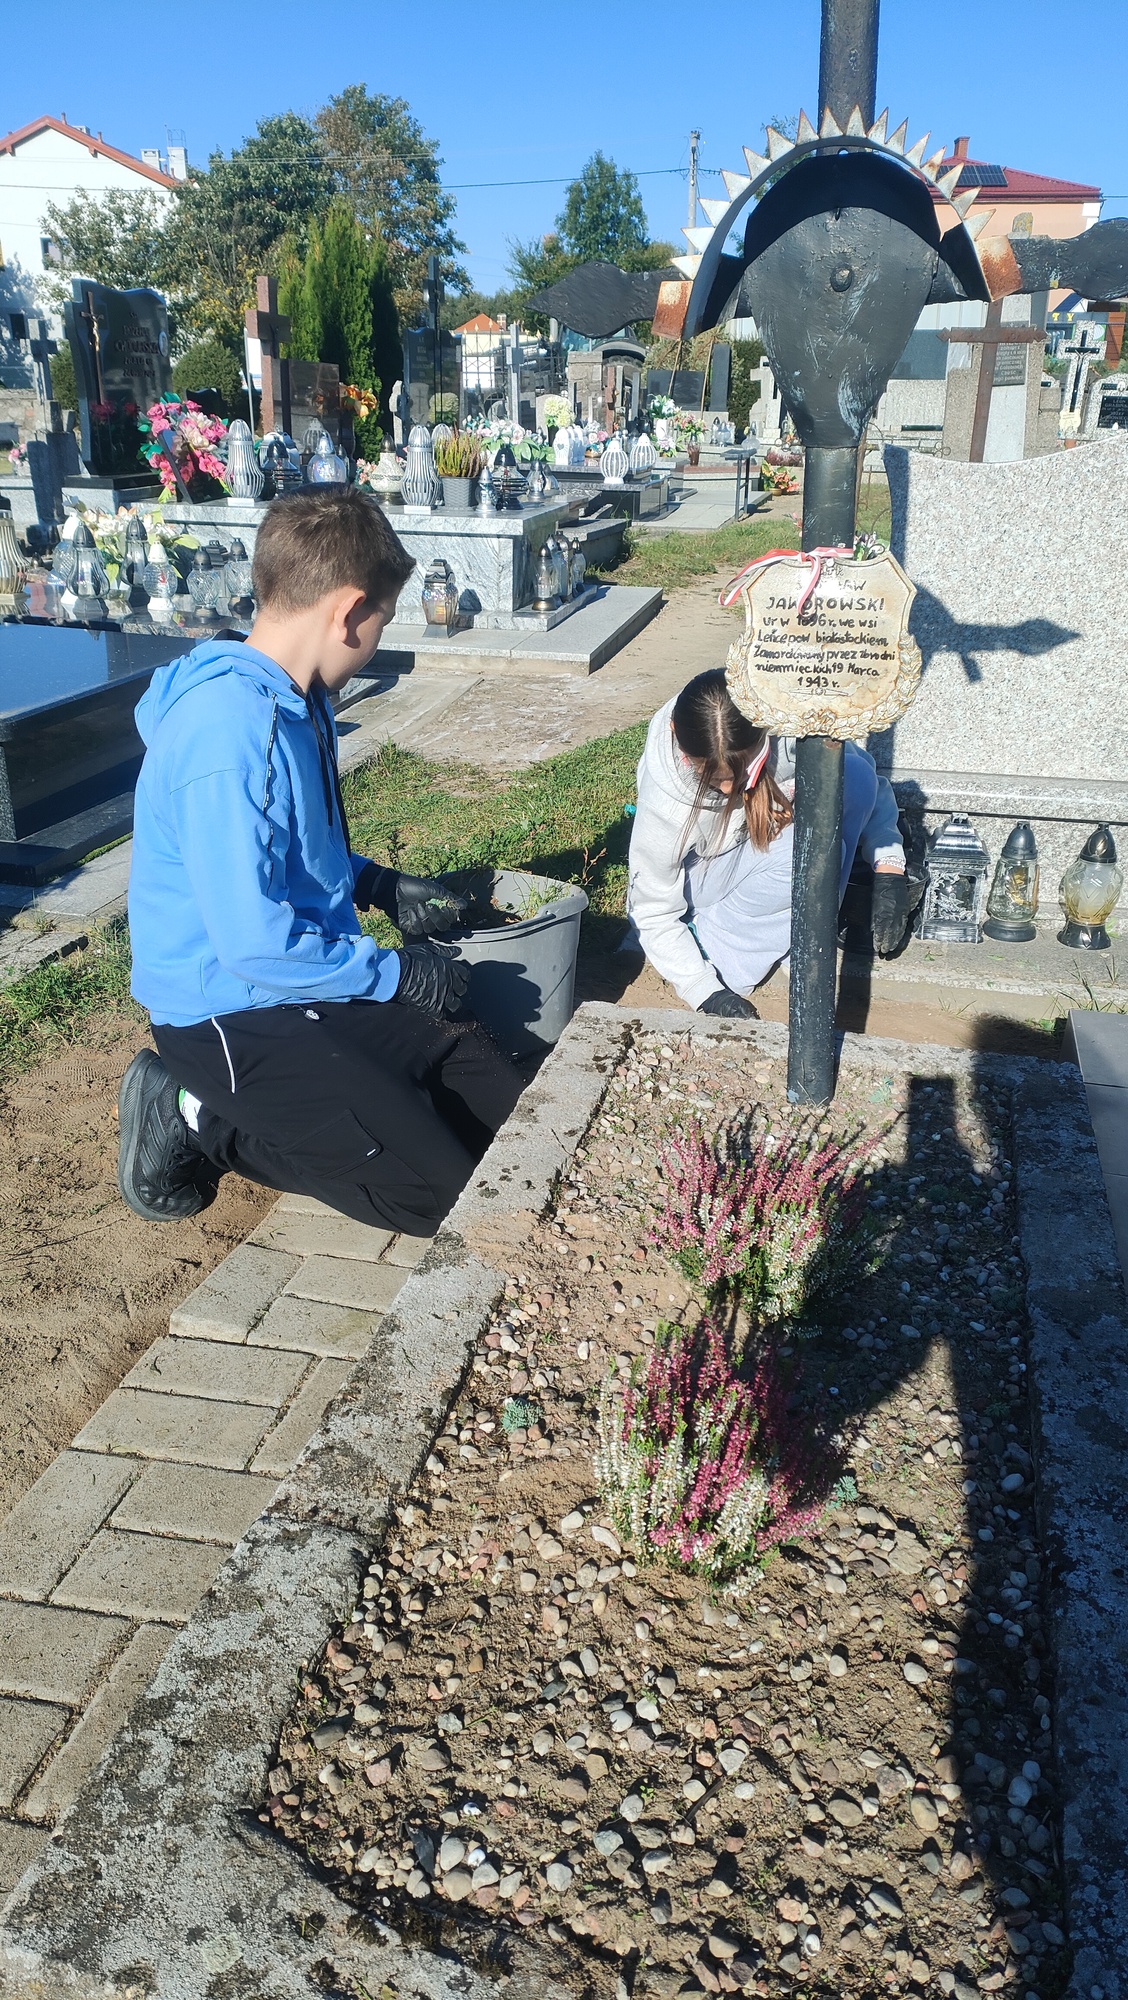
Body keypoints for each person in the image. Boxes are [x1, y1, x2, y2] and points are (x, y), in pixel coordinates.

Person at [117, 488, 524, 1231]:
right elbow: (251, 944)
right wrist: (396, 974)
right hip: (229, 1010)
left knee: (510, 1126)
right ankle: (194, 1112)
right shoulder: (227, 733)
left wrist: (376, 882)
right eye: (383, 621)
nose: (376, 640)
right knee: (443, 1199)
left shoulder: (295, 698)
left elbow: (290, 848)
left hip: (303, 974)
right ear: (348, 612)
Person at [627, 669, 911, 1017]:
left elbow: (867, 781)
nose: (729, 789)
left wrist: (890, 867)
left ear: (765, 728)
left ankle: (806, 935)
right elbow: (650, 910)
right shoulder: (666, 805)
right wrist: (704, 990)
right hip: (704, 877)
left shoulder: (785, 720)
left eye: (742, 770)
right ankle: (716, 943)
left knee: (855, 778)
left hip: (756, 839)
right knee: (804, 860)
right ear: (674, 731)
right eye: (712, 778)